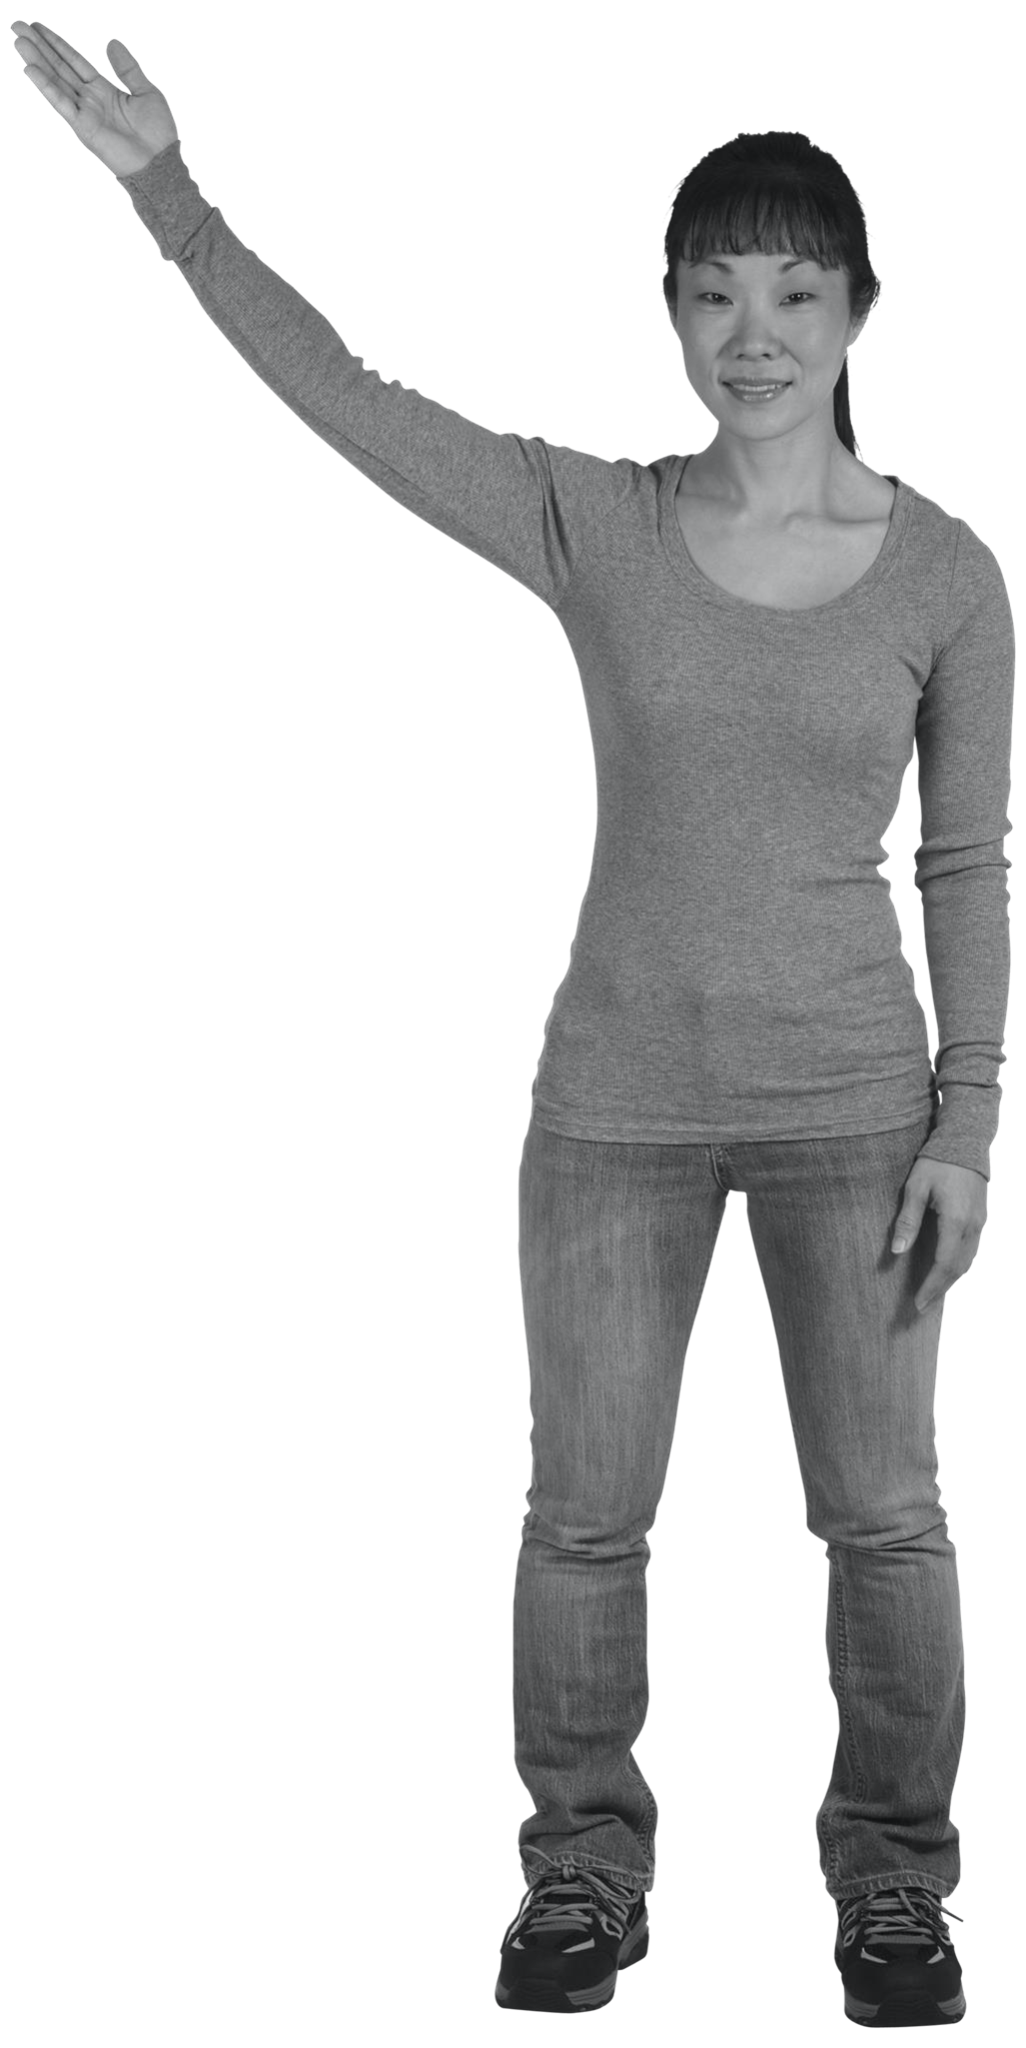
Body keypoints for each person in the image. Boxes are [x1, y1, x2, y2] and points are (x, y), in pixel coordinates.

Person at [14, 46, 1010, 2022]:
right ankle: (581, 1875)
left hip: (854, 1109)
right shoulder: (592, 519)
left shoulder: (949, 574)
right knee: (581, 1519)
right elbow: (350, 397)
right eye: (712, 293)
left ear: (858, 314)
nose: (751, 333)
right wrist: (167, 195)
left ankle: (897, 1887)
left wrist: (965, 1127)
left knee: (887, 1519)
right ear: (670, 317)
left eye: (792, 293)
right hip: (612, 1108)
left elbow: (968, 862)